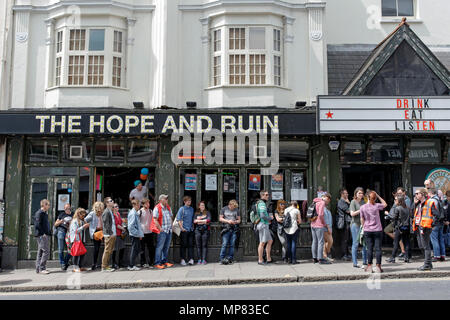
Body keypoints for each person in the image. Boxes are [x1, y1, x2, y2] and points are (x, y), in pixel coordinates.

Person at [413, 188, 439, 271]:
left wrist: (431, 224)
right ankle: (429, 264)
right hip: (419, 226)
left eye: (417, 193)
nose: (416, 195)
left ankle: (427, 264)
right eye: (415, 194)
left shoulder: (430, 202)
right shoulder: (419, 203)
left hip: (425, 227)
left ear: (423, 194)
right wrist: (414, 204)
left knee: (425, 246)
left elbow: (437, 215)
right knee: (421, 246)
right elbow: (411, 213)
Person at [386, 195, 411, 263]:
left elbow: (394, 217)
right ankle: (407, 257)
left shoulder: (398, 208)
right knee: (406, 242)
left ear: (399, 201)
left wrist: (387, 214)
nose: (395, 201)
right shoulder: (408, 208)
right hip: (407, 227)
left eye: (396, 200)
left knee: (396, 242)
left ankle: (393, 257)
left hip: (399, 228)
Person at [153, 194, 174, 270]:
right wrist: (160, 228)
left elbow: (171, 217)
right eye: (165, 199)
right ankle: (157, 263)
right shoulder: (157, 208)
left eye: (167, 199)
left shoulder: (168, 207)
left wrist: (171, 226)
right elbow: (155, 219)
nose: (167, 200)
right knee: (160, 247)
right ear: (161, 200)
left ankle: (164, 261)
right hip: (162, 231)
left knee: (166, 247)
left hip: (168, 230)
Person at [311, 193, 332, 265]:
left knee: (314, 241)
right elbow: (320, 215)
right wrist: (324, 224)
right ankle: (320, 259)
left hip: (313, 224)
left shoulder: (315, 201)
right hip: (319, 225)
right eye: (328, 199)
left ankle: (314, 258)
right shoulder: (322, 203)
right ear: (326, 198)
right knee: (321, 242)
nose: (327, 201)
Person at [219, 199, 241, 265]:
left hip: (234, 228)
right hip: (226, 228)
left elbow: (239, 220)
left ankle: (230, 258)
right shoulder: (224, 209)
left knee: (232, 244)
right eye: (233, 207)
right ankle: (221, 259)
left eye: (235, 207)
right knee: (224, 244)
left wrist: (235, 222)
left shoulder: (236, 210)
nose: (233, 208)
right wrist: (228, 221)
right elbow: (220, 218)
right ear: (230, 205)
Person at [350, 187, 367, 268]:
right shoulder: (353, 202)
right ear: (355, 194)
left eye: (361, 193)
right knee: (355, 243)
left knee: (364, 243)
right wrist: (361, 210)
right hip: (355, 225)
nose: (360, 194)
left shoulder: (364, 202)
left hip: (363, 224)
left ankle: (365, 262)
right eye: (359, 193)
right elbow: (352, 214)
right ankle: (355, 262)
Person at [68, 208, 90, 272]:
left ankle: (80, 266)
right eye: (82, 215)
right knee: (76, 254)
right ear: (78, 214)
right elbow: (76, 231)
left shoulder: (82, 221)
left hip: (82, 239)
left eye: (84, 215)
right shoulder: (74, 221)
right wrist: (84, 227)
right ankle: (75, 267)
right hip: (76, 240)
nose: (83, 216)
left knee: (82, 253)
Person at [85, 201, 104, 271]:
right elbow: (85, 220)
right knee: (96, 248)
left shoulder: (102, 214)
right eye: (100, 207)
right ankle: (94, 264)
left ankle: (100, 263)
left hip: (102, 231)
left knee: (101, 248)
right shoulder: (92, 213)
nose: (101, 209)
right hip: (96, 232)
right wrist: (90, 226)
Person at [428, 187, 446, 262]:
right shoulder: (440, 200)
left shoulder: (431, 200)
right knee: (440, 239)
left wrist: (432, 223)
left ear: (430, 193)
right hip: (441, 222)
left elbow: (432, 213)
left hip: (435, 223)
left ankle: (436, 256)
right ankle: (442, 255)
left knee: (434, 240)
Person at [256, 190, 273, 265]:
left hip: (264, 224)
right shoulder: (262, 204)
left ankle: (269, 258)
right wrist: (270, 218)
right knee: (262, 243)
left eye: (268, 194)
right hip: (263, 225)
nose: (267, 196)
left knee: (270, 241)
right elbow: (262, 215)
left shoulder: (260, 203)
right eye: (266, 195)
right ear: (262, 196)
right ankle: (260, 260)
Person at [54, 203, 73, 270]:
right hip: (61, 231)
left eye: (68, 208)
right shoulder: (61, 214)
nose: (67, 209)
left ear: (70, 208)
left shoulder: (73, 214)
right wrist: (61, 221)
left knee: (72, 249)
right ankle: (62, 264)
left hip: (70, 233)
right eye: (65, 208)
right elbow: (55, 224)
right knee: (61, 249)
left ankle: (65, 261)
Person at [34, 199, 51, 274]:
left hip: (43, 234)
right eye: (48, 205)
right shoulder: (39, 213)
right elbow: (37, 225)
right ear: (44, 205)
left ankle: (38, 268)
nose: (49, 206)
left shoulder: (44, 213)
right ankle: (42, 268)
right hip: (41, 235)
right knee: (46, 251)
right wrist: (43, 233)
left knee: (40, 251)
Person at [177, 196, 195, 266]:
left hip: (190, 230)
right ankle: (183, 259)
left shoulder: (191, 209)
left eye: (190, 201)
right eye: (188, 201)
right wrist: (182, 228)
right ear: (184, 202)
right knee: (183, 245)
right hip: (184, 230)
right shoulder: (182, 209)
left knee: (191, 245)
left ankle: (191, 259)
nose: (189, 202)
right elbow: (179, 219)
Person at [101, 197, 117, 272]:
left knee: (110, 250)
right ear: (107, 203)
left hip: (112, 234)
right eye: (111, 201)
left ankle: (107, 266)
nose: (113, 201)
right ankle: (104, 267)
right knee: (107, 250)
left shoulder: (110, 211)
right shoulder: (106, 212)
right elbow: (106, 224)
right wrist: (110, 233)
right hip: (108, 234)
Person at [128, 199, 144, 271]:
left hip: (135, 234)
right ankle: (131, 265)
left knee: (136, 250)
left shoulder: (135, 213)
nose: (139, 207)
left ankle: (132, 264)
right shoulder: (133, 213)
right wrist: (137, 234)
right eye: (138, 205)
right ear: (135, 205)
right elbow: (131, 226)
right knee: (134, 250)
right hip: (134, 235)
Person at [139, 198, 155, 268]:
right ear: (143, 204)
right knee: (142, 249)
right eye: (146, 203)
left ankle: (151, 261)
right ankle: (143, 262)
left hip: (149, 232)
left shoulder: (151, 211)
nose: (148, 204)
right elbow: (138, 222)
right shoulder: (140, 212)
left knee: (151, 248)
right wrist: (139, 233)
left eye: (149, 203)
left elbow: (152, 220)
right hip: (142, 232)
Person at [336, 188, 352, 261]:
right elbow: (349, 211)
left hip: (347, 222)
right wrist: (349, 203)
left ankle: (347, 253)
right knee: (344, 239)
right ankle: (344, 254)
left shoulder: (343, 202)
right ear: (342, 194)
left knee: (347, 238)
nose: (347, 194)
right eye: (346, 193)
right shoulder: (341, 202)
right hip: (344, 223)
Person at [112, 203, 126, 269]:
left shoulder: (118, 214)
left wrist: (123, 225)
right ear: (113, 208)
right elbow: (116, 224)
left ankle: (120, 262)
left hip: (120, 234)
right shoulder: (113, 215)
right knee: (114, 249)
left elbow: (120, 222)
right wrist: (122, 228)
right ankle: (114, 263)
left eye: (117, 206)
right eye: (115, 207)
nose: (117, 207)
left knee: (122, 248)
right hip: (115, 233)